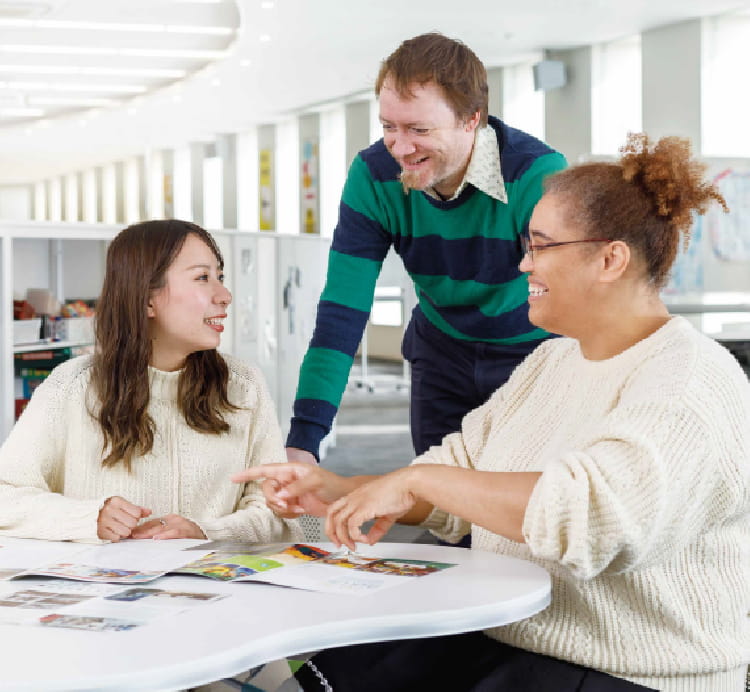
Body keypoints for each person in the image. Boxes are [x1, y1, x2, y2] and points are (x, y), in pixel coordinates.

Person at [238, 133, 750, 691]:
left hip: (628, 673)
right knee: (342, 659)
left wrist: (418, 477)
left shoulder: (688, 380)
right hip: (515, 642)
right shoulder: (550, 362)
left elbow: (589, 518)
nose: (524, 262)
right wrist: (338, 488)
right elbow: (455, 479)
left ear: (610, 259)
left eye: (541, 244)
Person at [286, 33, 567, 479]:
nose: (400, 147)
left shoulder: (536, 175)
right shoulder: (374, 176)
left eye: (420, 129)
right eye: (388, 127)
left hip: (532, 355)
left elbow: (573, 295)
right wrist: (304, 440)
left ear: (472, 119)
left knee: (520, 511)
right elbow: (343, 308)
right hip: (441, 353)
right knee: (445, 511)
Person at [0, 219, 301, 544]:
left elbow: (278, 515)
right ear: (146, 299)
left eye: (220, 277)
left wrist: (205, 532)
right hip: (104, 590)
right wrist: (89, 518)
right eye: (203, 278)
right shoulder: (71, 387)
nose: (225, 295)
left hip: (213, 590)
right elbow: (6, 496)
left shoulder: (244, 386)